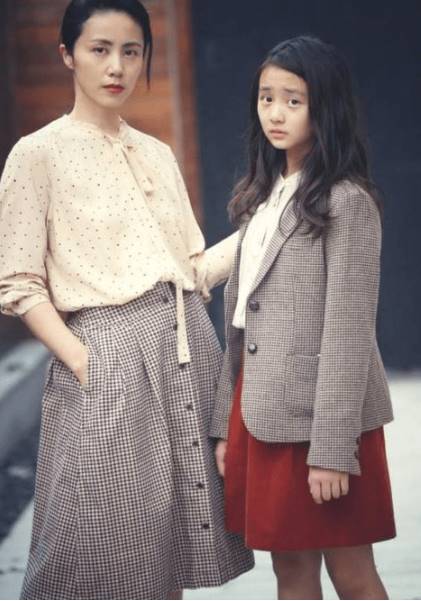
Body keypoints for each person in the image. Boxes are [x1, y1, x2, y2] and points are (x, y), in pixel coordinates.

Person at [0, 0, 253, 598]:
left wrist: (266, 225)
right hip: (106, 355)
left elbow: (191, 271)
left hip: (184, 350)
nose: (117, 66)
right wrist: (81, 358)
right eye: (100, 49)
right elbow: (18, 282)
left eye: (131, 52)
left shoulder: (157, 153)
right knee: (101, 547)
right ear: (68, 55)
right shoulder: (37, 154)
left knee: (167, 548)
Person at [211, 35, 395, 600]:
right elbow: (241, 322)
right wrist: (224, 424)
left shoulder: (347, 201)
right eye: (267, 98)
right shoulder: (263, 195)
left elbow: (348, 333)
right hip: (261, 411)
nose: (276, 113)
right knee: (289, 570)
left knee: (351, 571)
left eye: (294, 100)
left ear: (325, 107)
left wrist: (333, 451)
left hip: (326, 421)